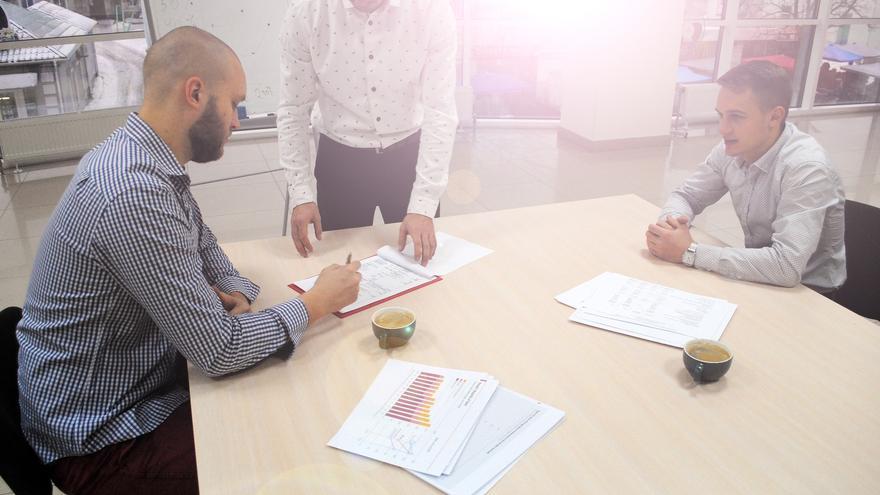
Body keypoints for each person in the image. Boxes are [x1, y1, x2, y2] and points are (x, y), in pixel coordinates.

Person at [16, 27, 361, 494]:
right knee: (287, 451)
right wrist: (316, 302)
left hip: (132, 379)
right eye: (234, 104)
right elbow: (218, 352)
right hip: (101, 437)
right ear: (196, 93)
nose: (238, 121)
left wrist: (234, 292)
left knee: (283, 392)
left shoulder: (142, 157)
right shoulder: (132, 193)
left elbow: (204, 245)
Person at [278, 0, 458, 266]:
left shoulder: (430, 9)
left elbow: (440, 110)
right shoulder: (306, 11)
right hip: (340, 160)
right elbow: (293, 109)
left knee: (420, 266)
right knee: (338, 269)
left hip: (408, 157)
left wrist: (424, 203)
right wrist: (301, 194)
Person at [646, 61, 846, 295]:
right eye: (721, 116)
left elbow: (786, 266)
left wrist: (689, 251)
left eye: (736, 117)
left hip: (812, 293)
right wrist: (670, 229)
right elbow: (686, 195)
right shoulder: (731, 148)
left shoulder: (806, 168)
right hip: (758, 275)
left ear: (774, 117)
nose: (723, 129)